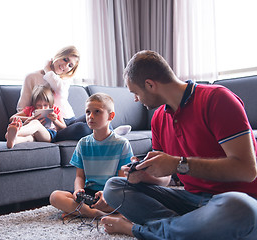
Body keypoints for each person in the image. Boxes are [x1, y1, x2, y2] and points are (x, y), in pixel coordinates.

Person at [100, 50, 257, 239]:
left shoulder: (217, 99)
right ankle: (185, 229)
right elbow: (165, 179)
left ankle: (139, 230)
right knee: (114, 187)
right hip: (191, 201)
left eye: (135, 93)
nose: (135, 99)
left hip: (235, 200)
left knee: (241, 209)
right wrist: (144, 175)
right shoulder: (158, 118)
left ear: (150, 85)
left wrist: (178, 164)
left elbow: (247, 170)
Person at [17, 45, 130, 142]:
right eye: (65, 60)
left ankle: (112, 134)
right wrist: (35, 117)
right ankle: (110, 135)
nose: (65, 66)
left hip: (69, 119)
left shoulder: (64, 80)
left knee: (101, 115)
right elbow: (22, 107)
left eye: (70, 65)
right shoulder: (32, 77)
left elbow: (60, 89)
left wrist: (48, 70)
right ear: (58, 56)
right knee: (84, 129)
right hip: (54, 124)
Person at [49, 93, 133, 218]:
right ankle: (94, 213)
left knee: (130, 201)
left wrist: (106, 193)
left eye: (97, 112)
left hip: (111, 193)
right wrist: (78, 190)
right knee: (55, 196)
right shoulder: (83, 143)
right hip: (89, 193)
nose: (91, 116)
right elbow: (79, 176)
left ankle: (80, 211)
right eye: (88, 112)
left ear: (111, 116)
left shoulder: (122, 144)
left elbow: (122, 180)